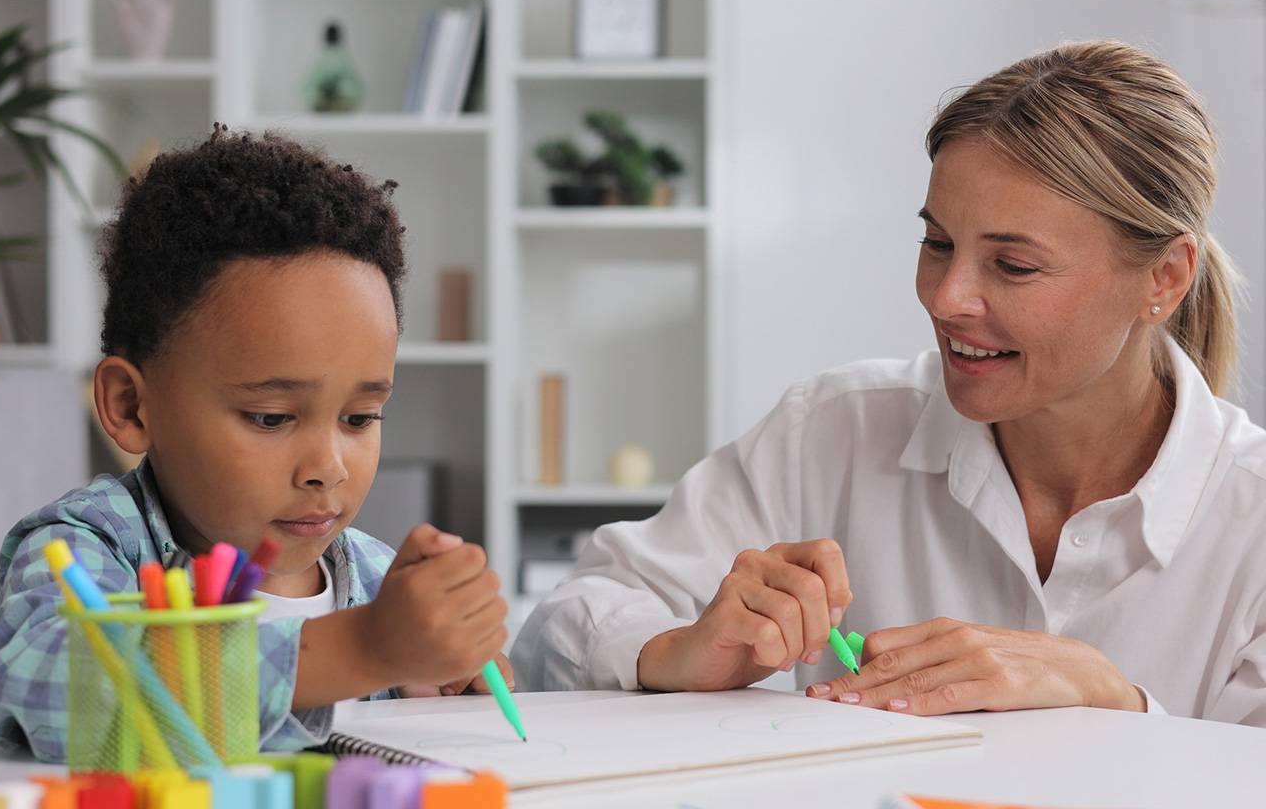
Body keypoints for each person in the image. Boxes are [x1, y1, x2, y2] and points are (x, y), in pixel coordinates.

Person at [513, 41, 1266, 726]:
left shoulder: (1251, 517)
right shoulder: (833, 431)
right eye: (937, 243)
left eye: (1013, 265)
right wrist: (678, 650)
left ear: (1164, 278)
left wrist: (1118, 702)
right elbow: (562, 627)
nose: (946, 298)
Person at [0, 128, 512, 760]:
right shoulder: (84, 549)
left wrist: (437, 677)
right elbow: (59, 690)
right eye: (270, 417)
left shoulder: (372, 577)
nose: (327, 467)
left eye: (361, 417)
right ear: (130, 405)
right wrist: (362, 650)